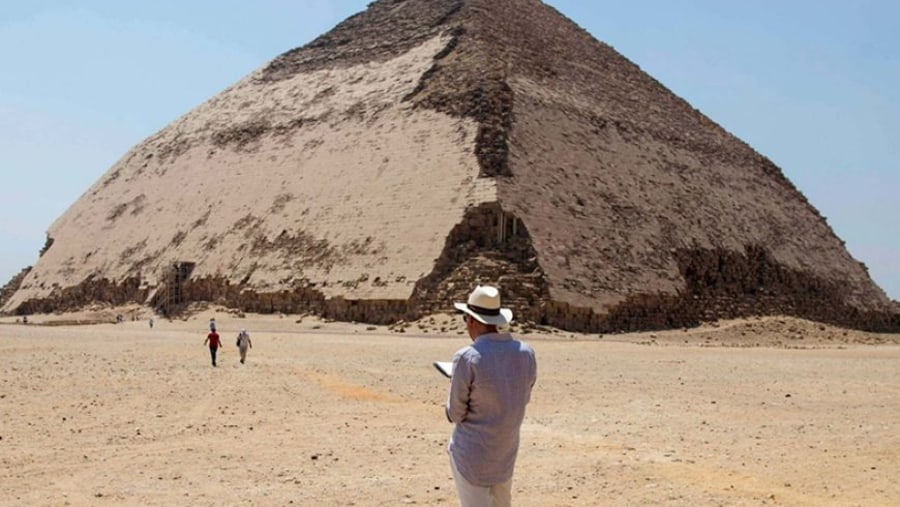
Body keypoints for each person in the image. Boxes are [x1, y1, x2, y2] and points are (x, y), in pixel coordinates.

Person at [445, 285, 537, 507]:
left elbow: (455, 414)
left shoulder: (467, 358)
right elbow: (521, 398)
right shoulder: (526, 353)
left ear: (471, 320)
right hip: (504, 453)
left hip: (472, 456)